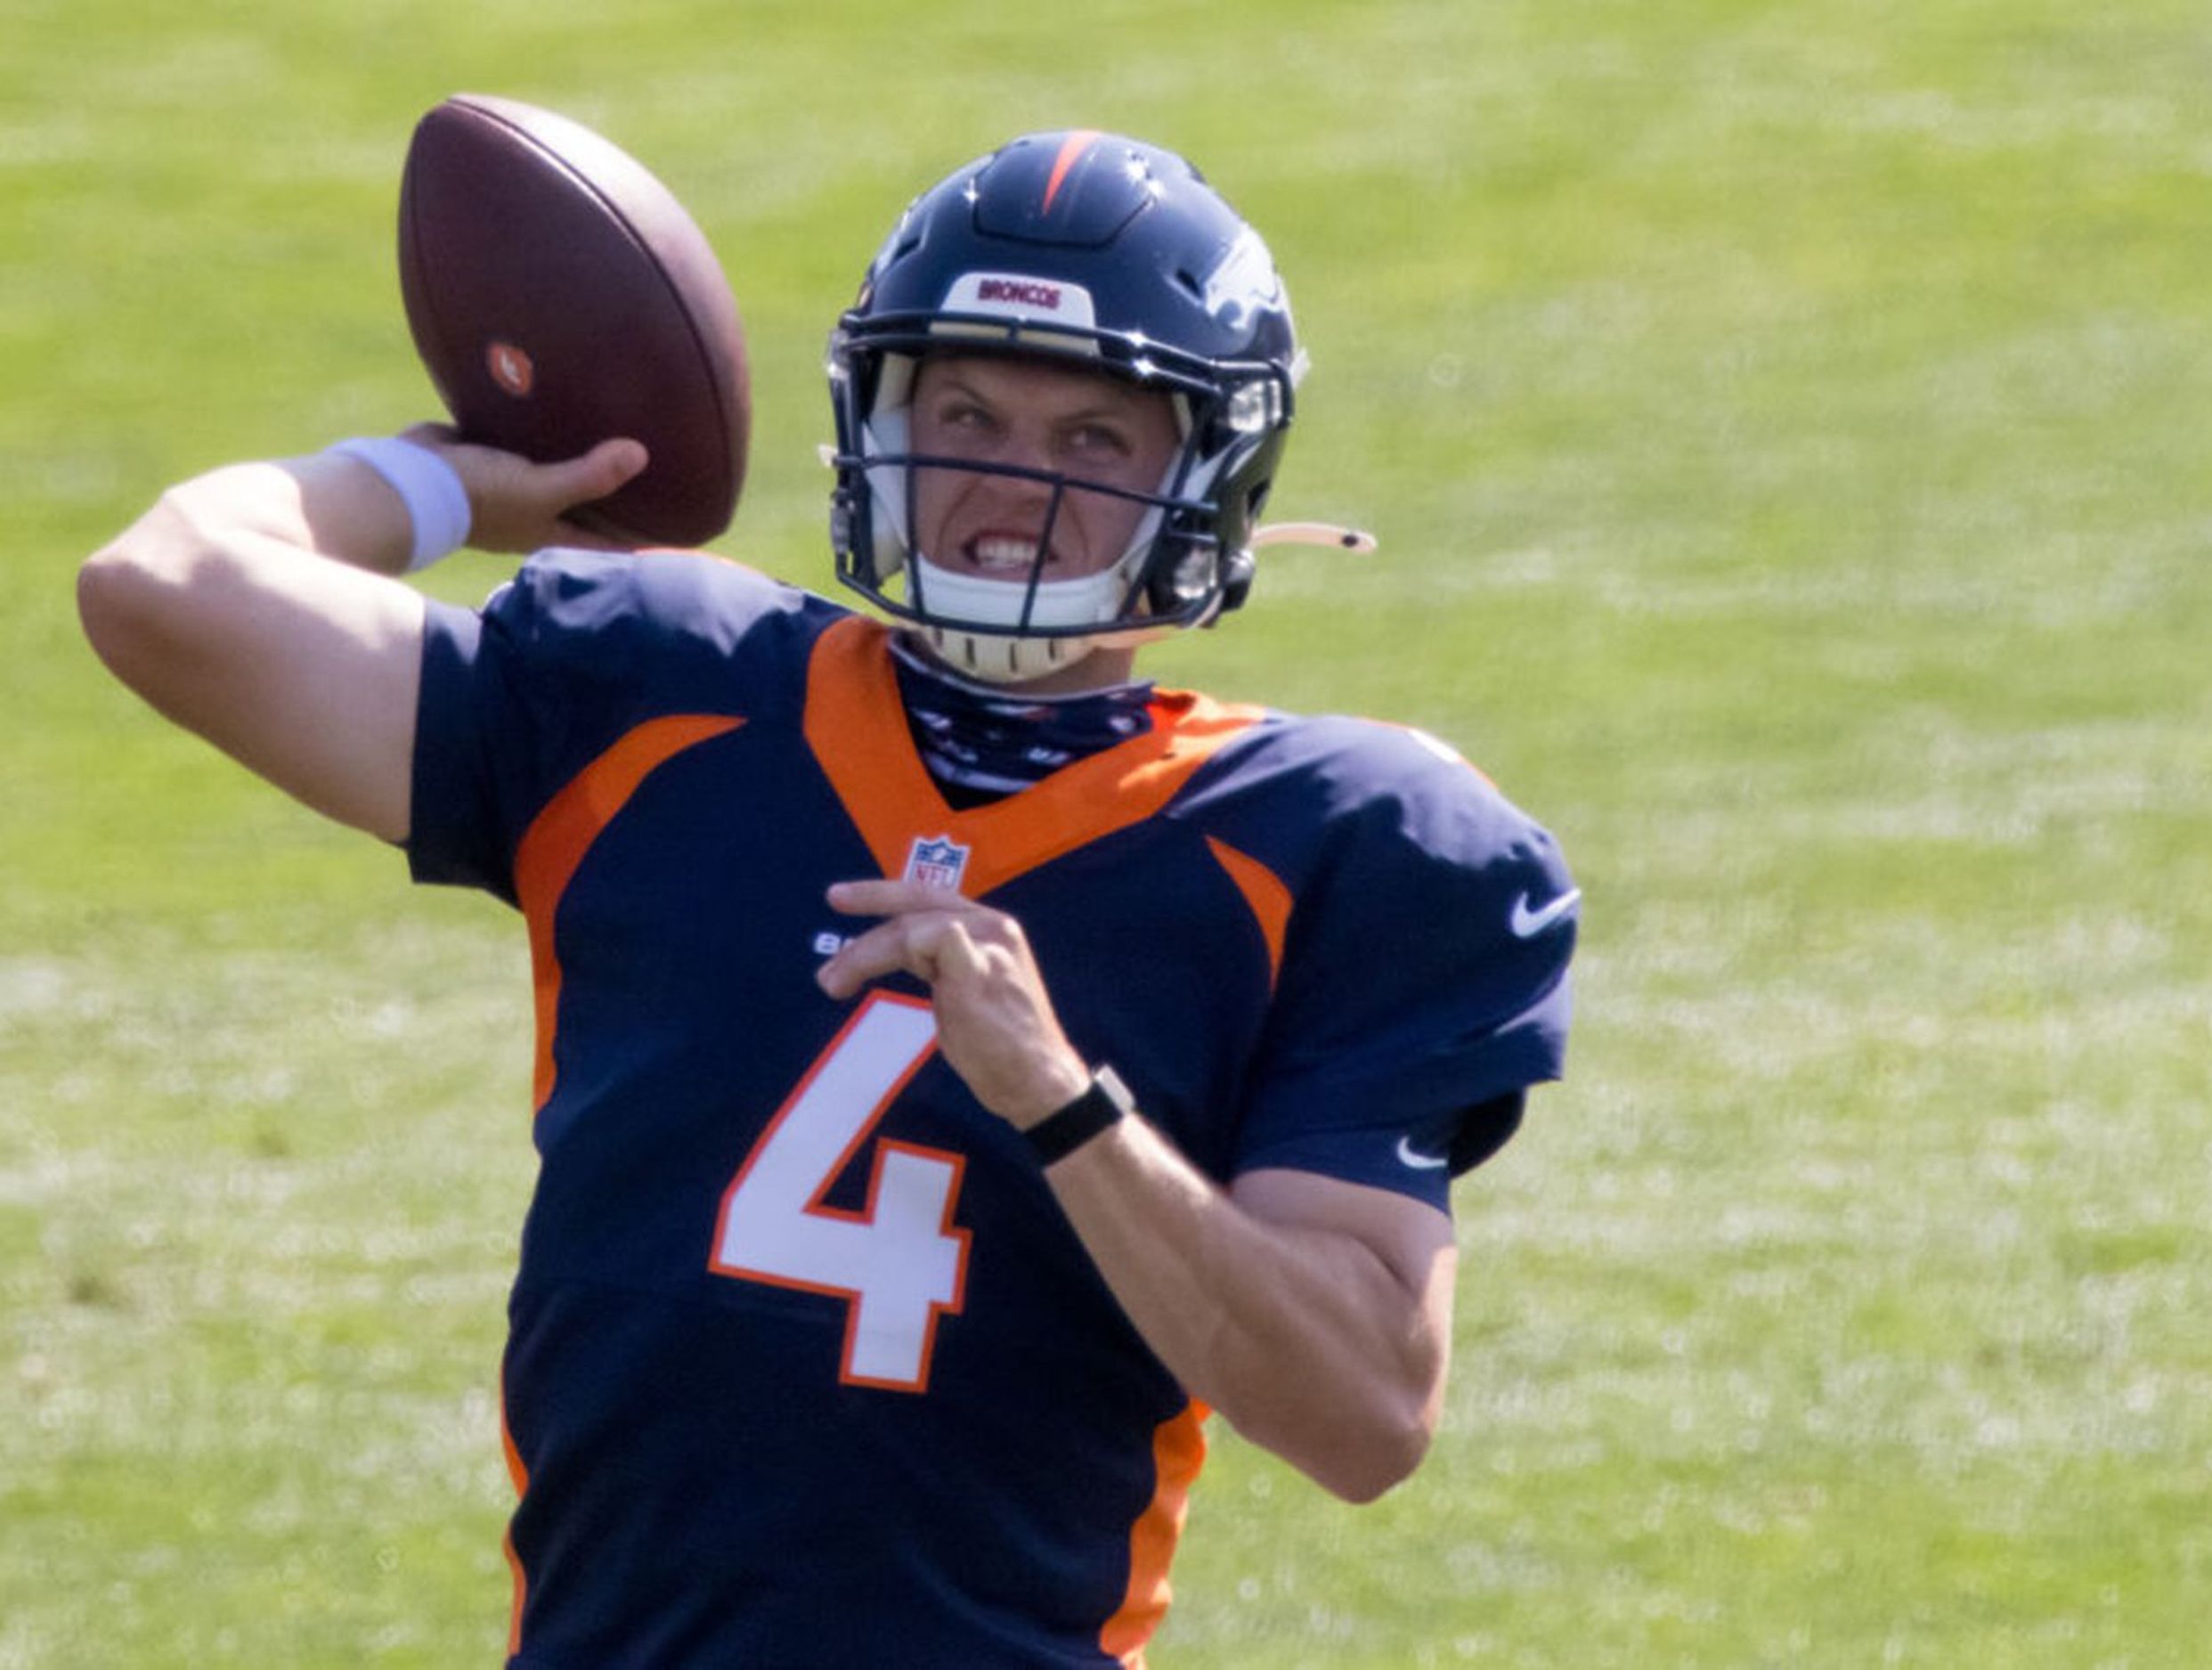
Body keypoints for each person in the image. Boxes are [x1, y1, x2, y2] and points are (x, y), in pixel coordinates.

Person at [78, 130, 1578, 1668]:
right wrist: (448, 489)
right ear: (878, 419)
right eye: (969, 417)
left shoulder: (1342, 840)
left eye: (1091, 442)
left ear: (1206, 474)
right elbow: (167, 584)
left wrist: (1060, 1102)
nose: (1012, 491)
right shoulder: (664, 688)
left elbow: (1363, 1420)